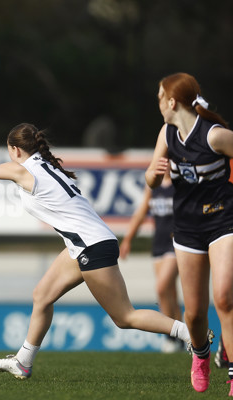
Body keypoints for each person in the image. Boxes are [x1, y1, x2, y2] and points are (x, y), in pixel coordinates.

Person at [0, 121, 191, 381]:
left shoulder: (25, 169)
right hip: (85, 242)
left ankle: (189, 334)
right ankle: (23, 363)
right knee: (42, 296)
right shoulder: (46, 165)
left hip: (92, 245)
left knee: (124, 317)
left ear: (14, 150)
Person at [145, 72, 233, 395]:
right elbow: (150, 181)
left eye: (159, 97)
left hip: (224, 222)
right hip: (187, 229)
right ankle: (200, 355)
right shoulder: (166, 135)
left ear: (172, 101)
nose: (157, 103)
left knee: (224, 298)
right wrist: (153, 174)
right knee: (194, 313)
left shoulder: (215, 136)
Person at [119, 173, 183, 353]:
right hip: (159, 245)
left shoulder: (181, 183)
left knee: (162, 288)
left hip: (177, 243)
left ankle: (172, 337)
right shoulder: (153, 185)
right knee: (170, 293)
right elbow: (141, 213)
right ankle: (183, 337)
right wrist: (128, 239)